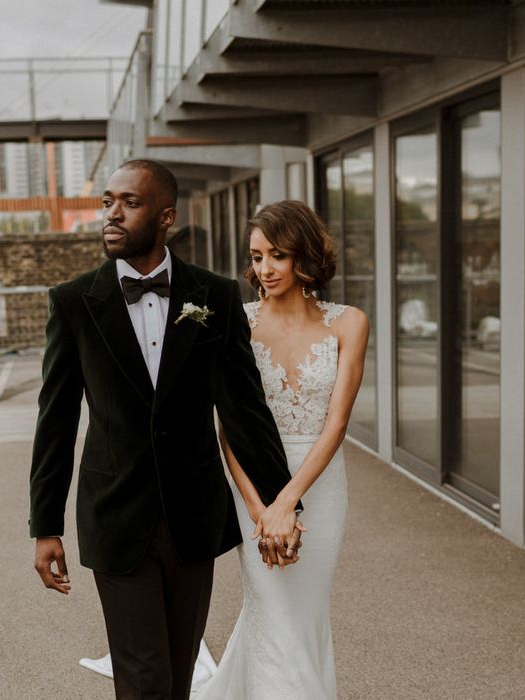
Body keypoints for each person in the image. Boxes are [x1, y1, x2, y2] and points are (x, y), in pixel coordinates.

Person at [29, 160, 301, 700]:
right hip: (114, 514)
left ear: (166, 216)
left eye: (129, 203)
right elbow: (55, 422)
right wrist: (45, 525)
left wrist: (283, 505)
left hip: (193, 516)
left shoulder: (216, 296)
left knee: (176, 673)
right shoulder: (73, 302)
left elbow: (244, 409)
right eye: (107, 201)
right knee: (144, 674)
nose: (111, 214)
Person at [196, 200, 369, 699]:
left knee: (304, 611)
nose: (264, 269)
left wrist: (288, 504)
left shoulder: (349, 323)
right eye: (256, 256)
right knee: (271, 609)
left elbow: (336, 424)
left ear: (305, 257)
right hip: (252, 482)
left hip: (321, 485)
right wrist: (260, 509)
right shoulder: (237, 321)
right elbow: (227, 427)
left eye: (277, 255)